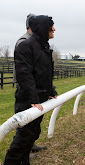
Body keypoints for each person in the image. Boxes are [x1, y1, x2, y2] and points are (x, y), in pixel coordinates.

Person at [4, 15, 57, 165]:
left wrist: (51, 90)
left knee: (34, 133)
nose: (54, 29)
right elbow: (24, 75)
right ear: (42, 28)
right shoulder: (25, 45)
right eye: (51, 26)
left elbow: (45, 74)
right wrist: (33, 99)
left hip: (40, 98)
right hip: (28, 100)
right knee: (24, 136)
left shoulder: (45, 47)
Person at [13, 13, 48, 155]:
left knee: (33, 122)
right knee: (24, 123)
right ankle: (23, 151)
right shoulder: (24, 41)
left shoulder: (34, 41)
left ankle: (29, 146)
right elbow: (25, 71)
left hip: (33, 87)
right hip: (26, 88)